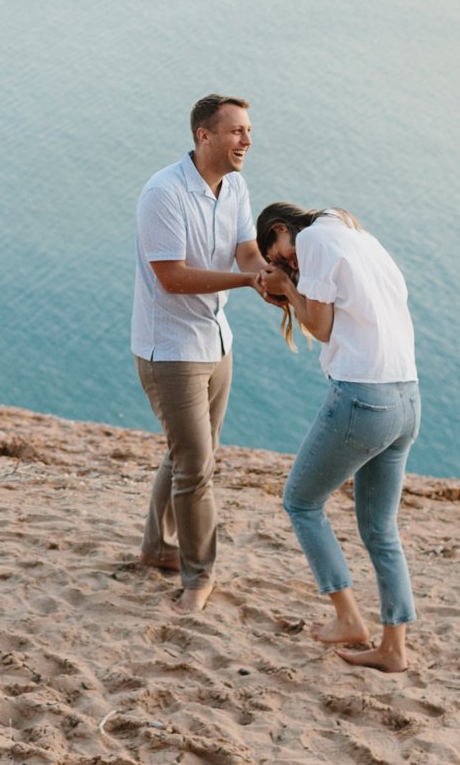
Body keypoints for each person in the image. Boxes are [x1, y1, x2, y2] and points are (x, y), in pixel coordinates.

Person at [254, 200, 420, 671]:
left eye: (278, 253)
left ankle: (348, 617)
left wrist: (286, 285)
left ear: (283, 230)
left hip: (364, 399)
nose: (287, 262)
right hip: (407, 397)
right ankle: (393, 649)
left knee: (301, 503)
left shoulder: (312, 239)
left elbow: (322, 329)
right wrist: (290, 282)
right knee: (381, 530)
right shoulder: (361, 239)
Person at [131, 95, 269, 614]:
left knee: (191, 454)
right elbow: (174, 277)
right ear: (203, 136)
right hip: (170, 349)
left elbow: (246, 249)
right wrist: (248, 280)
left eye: (249, 131)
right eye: (236, 132)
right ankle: (198, 575)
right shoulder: (163, 193)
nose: (247, 141)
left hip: (217, 340)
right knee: (195, 467)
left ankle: (156, 547)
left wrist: (269, 274)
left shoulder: (234, 186)